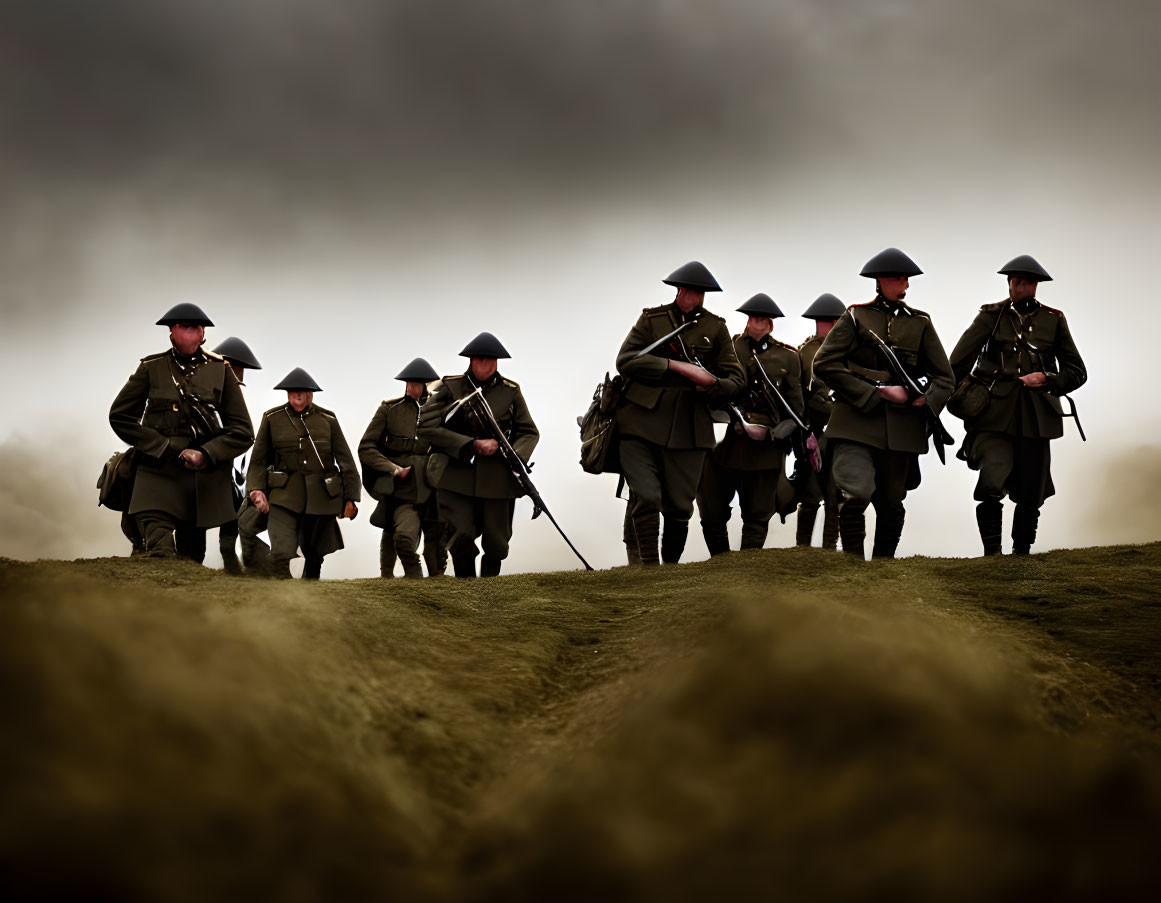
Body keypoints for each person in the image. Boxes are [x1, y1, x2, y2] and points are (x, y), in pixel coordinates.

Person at [812, 248, 954, 559]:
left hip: (901, 428)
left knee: (891, 500)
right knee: (855, 490)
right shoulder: (855, 317)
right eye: (894, 277)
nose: (901, 282)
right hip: (855, 422)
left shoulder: (921, 323)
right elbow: (824, 364)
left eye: (904, 277)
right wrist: (870, 392)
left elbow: (945, 380)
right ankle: (853, 565)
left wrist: (919, 398)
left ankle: (882, 568)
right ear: (879, 281)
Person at [948, 255, 1087, 555]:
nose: (1021, 286)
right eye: (1016, 281)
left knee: (1030, 490)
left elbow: (1077, 372)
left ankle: (1021, 555)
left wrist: (1047, 378)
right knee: (991, 480)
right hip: (992, 414)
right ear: (1009, 282)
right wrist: (949, 400)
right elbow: (956, 364)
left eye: (1027, 282)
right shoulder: (991, 315)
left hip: (1037, 416)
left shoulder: (1054, 320)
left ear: (1036, 285)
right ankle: (992, 555)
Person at [615, 261, 746, 565]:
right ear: (678, 289)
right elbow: (626, 361)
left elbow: (735, 380)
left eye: (697, 291)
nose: (690, 295)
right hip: (641, 421)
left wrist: (711, 383)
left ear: (703, 295)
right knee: (646, 496)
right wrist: (673, 366)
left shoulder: (716, 328)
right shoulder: (652, 320)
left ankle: (670, 570)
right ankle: (649, 571)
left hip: (690, 425)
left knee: (679, 507)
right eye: (686, 289)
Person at [109, 303, 254, 560]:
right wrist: (160, 445)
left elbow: (243, 431)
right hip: (157, 473)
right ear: (172, 331)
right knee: (160, 551)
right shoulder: (151, 368)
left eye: (197, 328)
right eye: (185, 327)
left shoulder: (221, 370)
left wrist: (206, 454)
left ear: (203, 335)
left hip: (200, 481)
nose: (192, 333)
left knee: (192, 557)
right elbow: (120, 416)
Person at [417, 333, 539, 578]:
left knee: (497, 544)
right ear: (471, 360)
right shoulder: (448, 387)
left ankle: (489, 591)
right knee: (460, 538)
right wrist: (471, 444)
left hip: (498, 477)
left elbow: (528, 431)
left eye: (492, 359)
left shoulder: (511, 391)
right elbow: (426, 428)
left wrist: (515, 456)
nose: (487, 364)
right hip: (456, 476)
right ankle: (467, 590)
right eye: (481, 359)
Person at [696, 292, 805, 554]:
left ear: (771, 323)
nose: (759, 322)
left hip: (766, 447)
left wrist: (784, 431)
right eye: (755, 317)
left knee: (757, 514)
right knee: (712, 509)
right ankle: (720, 562)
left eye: (765, 318)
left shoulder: (788, 357)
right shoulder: (729, 349)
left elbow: (796, 408)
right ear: (748, 321)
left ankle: (748, 565)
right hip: (728, 443)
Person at [246, 368, 360, 579]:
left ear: (310, 393)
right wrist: (256, 490)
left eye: (302, 391)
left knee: (315, 554)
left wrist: (351, 498)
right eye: (292, 391)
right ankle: (279, 594)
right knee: (281, 550)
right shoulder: (272, 418)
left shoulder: (328, 419)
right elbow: (258, 461)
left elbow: (346, 461)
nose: (297, 395)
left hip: (321, 497)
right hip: (284, 495)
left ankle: (310, 596)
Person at [359, 357, 447, 579]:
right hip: (402, 489)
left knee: (436, 542)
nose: (411, 388)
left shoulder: (442, 412)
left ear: (427, 385)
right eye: (408, 383)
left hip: (434, 489)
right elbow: (366, 447)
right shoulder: (389, 410)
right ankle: (403, 578)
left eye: (417, 383)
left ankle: (437, 581)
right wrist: (392, 468)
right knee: (400, 536)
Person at [211, 336, 267, 575]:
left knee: (235, 506)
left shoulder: (233, 401)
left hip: (233, 467)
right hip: (210, 462)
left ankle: (233, 560)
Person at [794, 293, 846, 549]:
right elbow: (800, 397)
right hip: (813, 432)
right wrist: (806, 434)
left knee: (835, 493)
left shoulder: (844, 350)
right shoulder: (806, 353)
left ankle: (828, 548)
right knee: (811, 494)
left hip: (838, 431)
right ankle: (803, 548)